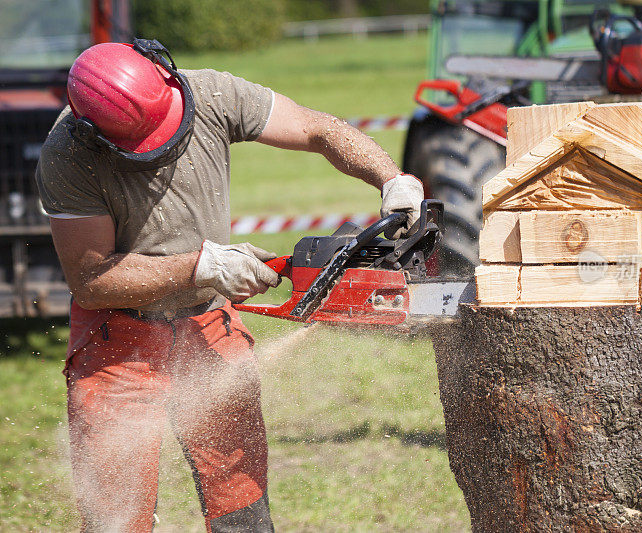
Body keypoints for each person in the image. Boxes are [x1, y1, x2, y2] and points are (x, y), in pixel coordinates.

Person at [35, 39, 424, 532]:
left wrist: (392, 179)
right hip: (118, 341)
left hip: (208, 325)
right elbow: (91, 279)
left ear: (164, 73)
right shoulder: (69, 153)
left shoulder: (213, 95)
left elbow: (315, 128)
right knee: (115, 515)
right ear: (99, 136)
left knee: (240, 499)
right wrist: (201, 266)